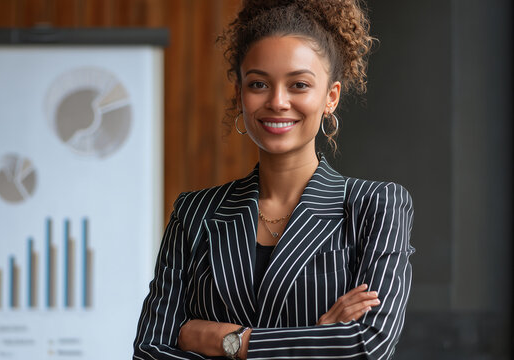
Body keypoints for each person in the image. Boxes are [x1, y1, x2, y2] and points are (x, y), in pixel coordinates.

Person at [133, 0, 415, 358]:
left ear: (331, 97)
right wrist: (315, 339)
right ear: (239, 93)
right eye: (258, 84)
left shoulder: (376, 206)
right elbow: (149, 352)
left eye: (299, 85)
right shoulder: (194, 214)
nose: (278, 102)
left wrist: (233, 342)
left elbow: (366, 345)